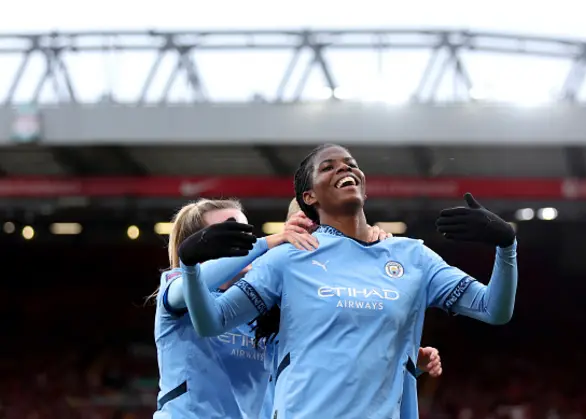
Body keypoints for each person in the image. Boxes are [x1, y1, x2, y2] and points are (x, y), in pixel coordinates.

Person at [180, 144, 518, 419]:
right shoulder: (290, 257)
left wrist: (506, 246)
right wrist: (191, 265)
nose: (344, 168)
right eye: (328, 166)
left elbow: (493, 309)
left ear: (364, 186)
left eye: (351, 164)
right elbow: (212, 321)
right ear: (309, 196)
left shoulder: (414, 257)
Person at [257, 200, 443, 419]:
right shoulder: (264, 286)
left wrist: (402, 359)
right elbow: (214, 290)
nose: (322, 239)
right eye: (308, 228)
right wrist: (270, 243)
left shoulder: (340, 302)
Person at [152, 198, 317, 419]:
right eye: (230, 231)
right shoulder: (176, 285)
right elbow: (186, 286)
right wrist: (265, 243)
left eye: (246, 231)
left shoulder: (261, 302)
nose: (245, 240)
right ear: (200, 243)